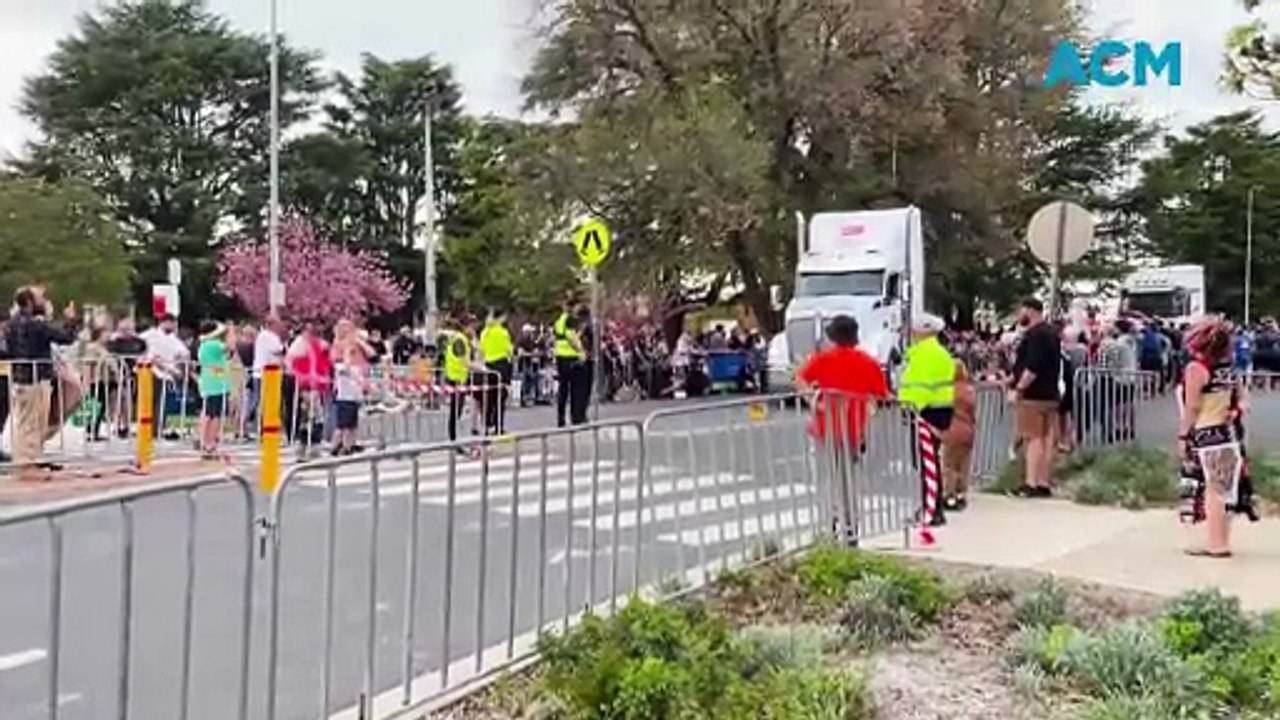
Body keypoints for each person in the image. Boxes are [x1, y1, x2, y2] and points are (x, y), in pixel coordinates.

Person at [795, 315, 889, 545]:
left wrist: (814, 401)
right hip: (854, 429)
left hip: (824, 426)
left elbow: (799, 379)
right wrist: (870, 410)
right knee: (849, 480)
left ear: (833, 336)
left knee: (828, 478)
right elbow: (880, 396)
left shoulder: (822, 359)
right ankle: (851, 526)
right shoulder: (869, 362)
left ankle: (831, 523)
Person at [1178, 319, 1258, 558]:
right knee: (1227, 490)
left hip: (1207, 432)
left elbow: (1192, 407)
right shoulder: (1228, 370)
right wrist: (1234, 412)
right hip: (1229, 434)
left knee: (1213, 491)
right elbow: (1244, 400)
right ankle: (1222, 539)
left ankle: (1216, 543)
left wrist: (1183, 435)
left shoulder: (1196, 369)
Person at [4, 287, 77, 481]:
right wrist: (70, 320)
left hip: (21, 378)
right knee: (32, 423)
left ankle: (28, 460)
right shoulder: (36, 325)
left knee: (28, 422)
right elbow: (66, 338)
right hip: (36, 379)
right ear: (29, 302)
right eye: (41, 298)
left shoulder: (11, 324)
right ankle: (26, 467)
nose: (44, 301)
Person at [898, 313, 957, 528]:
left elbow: (919, 388)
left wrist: (909, 409)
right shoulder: (939, 353)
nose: (911, 334)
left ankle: (932, 510)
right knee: (927, 462)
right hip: (939, 412)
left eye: (913, 330)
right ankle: (931, 506)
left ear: (921, 332)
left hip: (925, 413)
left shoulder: (924, 355)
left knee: (926, 464)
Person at [1009, 298, 1060, 498]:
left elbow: (1032, 366)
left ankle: (1030, 483)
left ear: (1030, 311)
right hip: (1050, 393)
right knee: (1047, 439)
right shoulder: (1051, 333)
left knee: (1032, 438)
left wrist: (1019, 388)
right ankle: (1043, 482)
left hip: (1033, 395)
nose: (1019, 315)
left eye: (1021, 310)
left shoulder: (1035, 335)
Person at [942, 360, 977, 511]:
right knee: (964, 465)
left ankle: (949, 495)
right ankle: (961, 494)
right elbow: (974, 413)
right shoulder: (970, 391)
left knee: (949, 465)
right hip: (967, 430)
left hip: (951, 429)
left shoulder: (947, 391)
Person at [196, 321, 231, 459]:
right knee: (214, 415)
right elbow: (229, 347)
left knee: (210, 413)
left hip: (212, 382)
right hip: (216, 384)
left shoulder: (204, 345)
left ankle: (207, 442)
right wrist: (230, 332)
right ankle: (209, 443)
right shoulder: (212, 344)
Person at [553, 296, 589, 427]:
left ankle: (560, 418)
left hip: (560, 356)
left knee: (563, 389)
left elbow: (559, 337)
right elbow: (571, 337)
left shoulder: (558, 321)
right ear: (572, 307)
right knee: (575, 389)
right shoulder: (570, 319)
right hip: (571, 357)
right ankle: (576, 417)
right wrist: (581, 351)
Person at [479, 309, 514, 435]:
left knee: (489, 397)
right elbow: (509, 351)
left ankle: (487, 425)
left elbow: (481, 350)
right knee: (501, 397)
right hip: (502, 365)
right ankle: (499, 426)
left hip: (488, 366)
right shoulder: (503, 333)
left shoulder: (484, 333)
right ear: (501, 318)